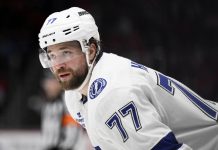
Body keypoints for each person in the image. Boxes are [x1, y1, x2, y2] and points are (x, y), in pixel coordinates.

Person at [38, 7, 218, 150]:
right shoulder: (77, 93)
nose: (57, 64)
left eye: (66, 53)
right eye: (52, 56)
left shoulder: (113, 95)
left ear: (91, 50)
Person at [29, 70, 91, 150]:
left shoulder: (68, 103)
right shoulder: (48, 103)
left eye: (49, 82)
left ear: (58, 83)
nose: (46, 86)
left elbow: (72, 131)